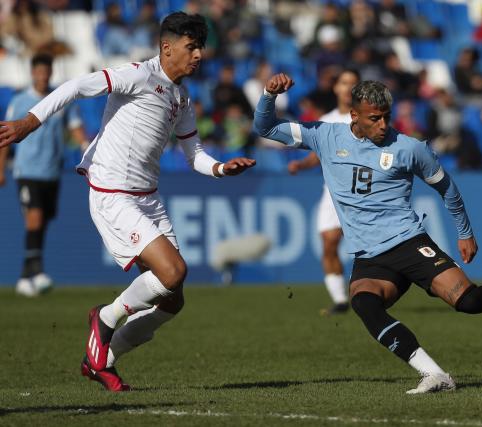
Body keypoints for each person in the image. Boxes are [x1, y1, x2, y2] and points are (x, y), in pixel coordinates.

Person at [254, 74, 482, 394]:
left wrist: (465, 232)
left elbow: (447, 188)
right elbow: (265, 127)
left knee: (467, 301)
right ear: (354, 115)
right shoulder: (325, 136)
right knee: (364, 304)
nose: (383, 125)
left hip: (409, 243)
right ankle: (435, 374)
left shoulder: (409, 148)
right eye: (374, 118)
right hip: (369, 256)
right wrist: (269, 96)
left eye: (386, 117)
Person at [0, 12, 256, 392]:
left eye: (200, 47)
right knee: (173, 272)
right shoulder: (137, 75)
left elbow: (194, 153)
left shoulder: (183, 97)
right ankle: (104, 319)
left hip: (147, 197)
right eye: (191, 47)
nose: (199, 54)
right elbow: (75, 86)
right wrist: (29, 122)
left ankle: (100, 359)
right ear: (166, 47)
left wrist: (219, 169)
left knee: (172, 301)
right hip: (112, 193)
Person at [0, 53, 87, 297]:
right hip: (27, 170)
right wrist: (1, 169)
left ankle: (25, 277)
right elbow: (6, 137)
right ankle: (37, 272)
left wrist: (85, 147)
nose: (43, 75)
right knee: (34, 218)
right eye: (39, 71)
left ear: (50, 72)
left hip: (51, 171)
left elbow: (75, 127)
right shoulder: (20, 101)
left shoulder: (59, 101)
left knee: (41, 224)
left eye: (46, 71)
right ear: (33, 73)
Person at [287, 68, 360, 315]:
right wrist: (301, 164)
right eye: (344, 82)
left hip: (361, 191)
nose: (348, 87)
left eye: (353, 83)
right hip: (333, 191)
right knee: (329, 243)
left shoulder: (366, 119)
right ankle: (340, 300)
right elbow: (317, 156)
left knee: (370, 249)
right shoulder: (327, 121)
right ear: (336, 88)